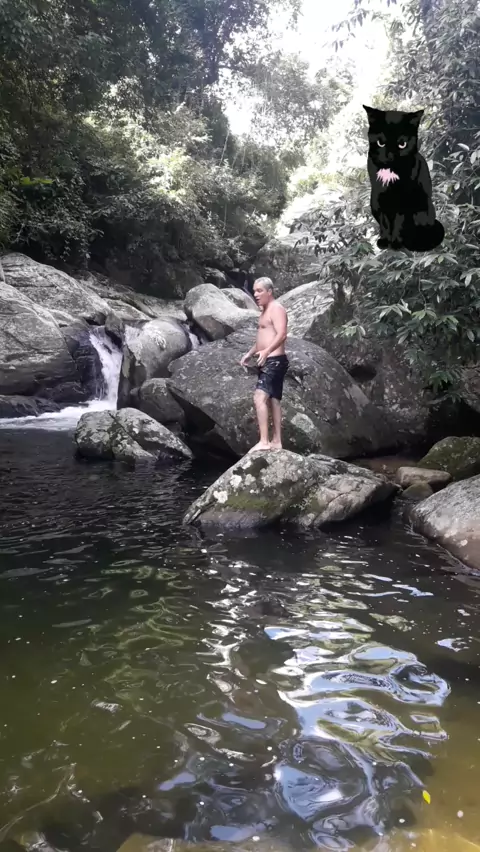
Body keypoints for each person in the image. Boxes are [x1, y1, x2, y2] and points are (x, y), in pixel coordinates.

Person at [240, 277, 288, 452]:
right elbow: (263, 338)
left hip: (274, 361)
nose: (255, 294)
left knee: (259, 398)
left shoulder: (276, 309)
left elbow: (282, 334)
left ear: (270, 291)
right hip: (270, 360)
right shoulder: (265, 311)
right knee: (274, 400)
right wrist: (249, 353)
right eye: (254, 291)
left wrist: (267, 351)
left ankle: (264, 441)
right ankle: (277, 441)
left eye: (259, 291)